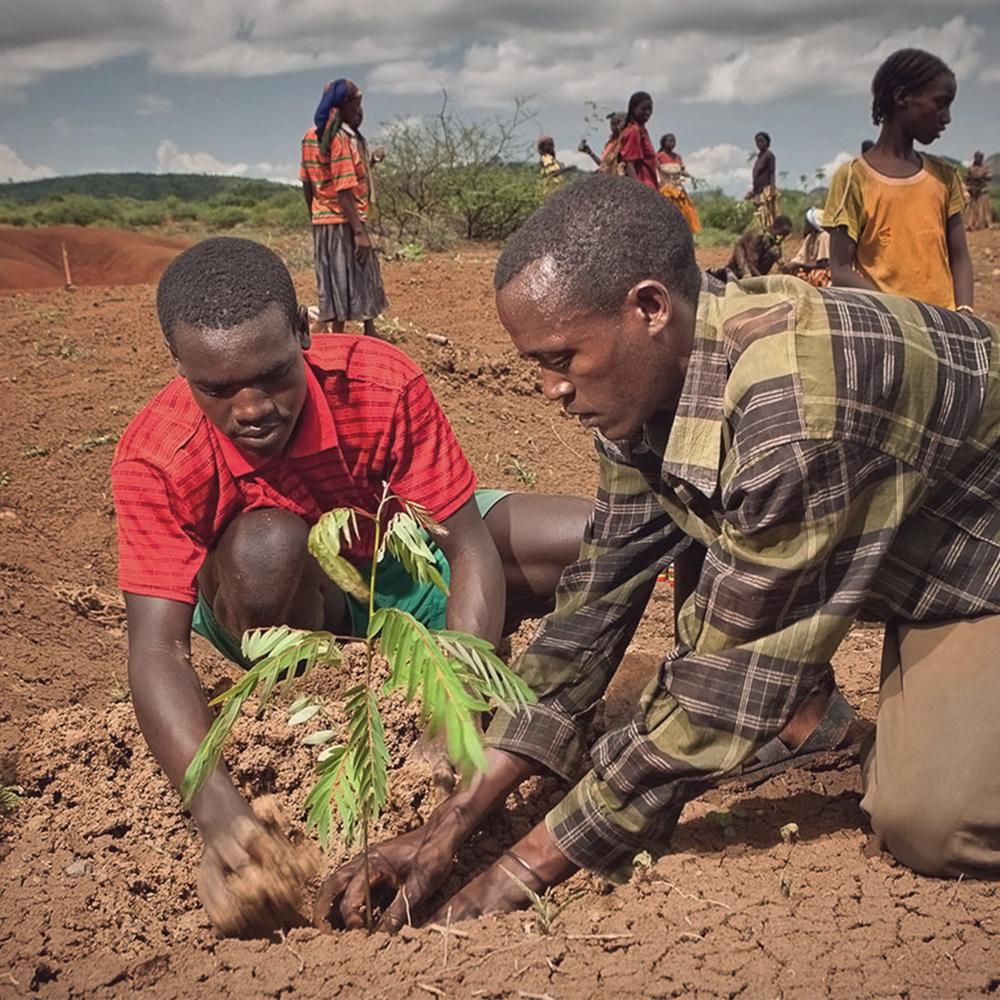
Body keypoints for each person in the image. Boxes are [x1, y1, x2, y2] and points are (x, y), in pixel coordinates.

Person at [317, 174, 1000, 931]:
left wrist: (520, 869)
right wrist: (450, 825)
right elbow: (591, 611)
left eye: (562, 357)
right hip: (914, 554)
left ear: (648, 307)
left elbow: (716, 694)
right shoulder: (642, 395)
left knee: (933, 823)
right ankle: (837, 713)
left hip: (983, 560)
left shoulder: (792, 411)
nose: (551, 389)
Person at [112, 236, 591, 936]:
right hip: (272, 598)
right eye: (218, 389)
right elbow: (159, 650)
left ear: (306, 332)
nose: (251, 408)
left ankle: (458, 646)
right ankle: (324, 698)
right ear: (179, 368)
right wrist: (217, 811)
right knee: (270, 543)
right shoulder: (159, 453)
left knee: (599, 533)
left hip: (396, 557)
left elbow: (468, 547)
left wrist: (447, 714)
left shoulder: (378, 383)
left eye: (274, 374)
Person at [824, 49, 973, 313]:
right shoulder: (853, 178)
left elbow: (960, 257)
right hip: (889, 329)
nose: (947, 117)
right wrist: (904, 315)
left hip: (945, 327)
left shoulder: (945, 177)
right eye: (941, 103)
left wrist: (965, 315)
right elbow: (841, 270)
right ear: (902, 97)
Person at [300, 78, 387, 337]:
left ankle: (342, 332)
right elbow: (344, 188)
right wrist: (358, 231)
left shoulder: (310, 137)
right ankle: (355, 334)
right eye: (357, 106)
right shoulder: (339, 139)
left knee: (333, 277)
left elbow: (307, 182)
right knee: (358, 274)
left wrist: (314, 213)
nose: (360, 112)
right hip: (346, 221)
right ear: (343, 105)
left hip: (324, 220)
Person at [656, 133, 701, 234]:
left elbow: (682, 170)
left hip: (678, 189)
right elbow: (659, 169)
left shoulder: (678, 157)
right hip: (665, 188)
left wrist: (690, 176)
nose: (672, 143)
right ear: (664, 143)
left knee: (685, 212)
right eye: (670, 141)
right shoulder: (658, 156)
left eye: (674, 141)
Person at [725, 215, 792, 278]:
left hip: (756, 265)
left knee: (774, 252)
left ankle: (755, 279)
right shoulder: (758, 236)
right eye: (782, 234)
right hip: (742, 259)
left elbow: (781, 263)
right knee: (747, 272)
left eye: (785, 236)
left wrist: (788, 269)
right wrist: (761, 279)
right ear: (775, 228)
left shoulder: (775, 241)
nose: (783, 238)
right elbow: (750, 263)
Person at [619, 91, 658, 191]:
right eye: (643, 109)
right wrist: (640, 192)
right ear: (633, 109)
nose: (648, 112)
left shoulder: (642, 130)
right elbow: (629, 163)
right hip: (643, 186)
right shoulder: (634, 131)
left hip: (650, 185)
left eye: (650, 109)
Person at [781, 207, 831, 286]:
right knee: (792, 275)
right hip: (810, 270)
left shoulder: (824, 236)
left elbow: (823, 265)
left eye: (806, 222)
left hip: (822, 272)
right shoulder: (810, 237)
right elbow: (800, 258)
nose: (805, 224)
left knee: (817, 275)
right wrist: (790, 265)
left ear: (812, 223)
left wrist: (798, 265)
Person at [747, 131, 781, 230]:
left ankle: (770, 238)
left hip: (766, 192)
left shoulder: (769, 156)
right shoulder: (759, 158)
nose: (759, 144)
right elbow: (757, 177)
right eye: (757, 142)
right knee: (760, 218)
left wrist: (772, 190)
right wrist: (753, 191)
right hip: (758, 192)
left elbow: (772, 173)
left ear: (767, 142)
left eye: (762, 141)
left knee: (768, 217)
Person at [965, 151, 993, 231]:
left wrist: (983, 177)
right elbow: (966, 178)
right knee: (970, 208)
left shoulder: (985, 168)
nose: (978, 159)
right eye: (977, 157)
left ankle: (987, 223)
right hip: (972, 189)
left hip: (982, 189)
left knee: (984, 207)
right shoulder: (970, 168)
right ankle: (969, 224)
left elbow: (989, 177)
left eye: (980, 157)